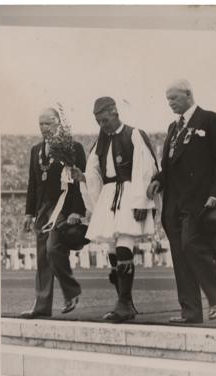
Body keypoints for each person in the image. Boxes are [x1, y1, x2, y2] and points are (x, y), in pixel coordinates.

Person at [147, 79, 216, 323]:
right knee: (179, 257)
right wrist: (158, 180)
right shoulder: (173, 129)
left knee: (191, 245)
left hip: (199, 201)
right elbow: (169, 167)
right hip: (173, 204)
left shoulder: (210, 120)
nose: (170, 103)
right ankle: (191, 312)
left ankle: (215, 296)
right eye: (167, 99)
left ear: (188, 94)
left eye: (173, 98)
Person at [72, 97, 158, 322]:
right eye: (99, 122)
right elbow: (94, 172)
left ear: (115, 112)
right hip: (110, 196)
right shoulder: (100, 142)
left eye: (105, 120)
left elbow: (146, 170)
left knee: (124, 243)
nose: (103, 125)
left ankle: (124, 302)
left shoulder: (133, 134)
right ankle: (124, 301)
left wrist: (142, 202)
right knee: (112, 249)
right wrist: (82, 177)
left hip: (130, 193)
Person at [21, 107, 86, 318]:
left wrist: (77, 210)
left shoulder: (73, 148)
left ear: (58, 123)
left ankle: (71, 292)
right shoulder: (35, 150)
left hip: (63, 208)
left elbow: (78, 183)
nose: (43, 128)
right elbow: (33, 184)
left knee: (52, 248)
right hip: (42, 208)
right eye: (40, 124)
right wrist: (29, 213)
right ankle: (41, 306)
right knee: (42, 257)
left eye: (47, 123)